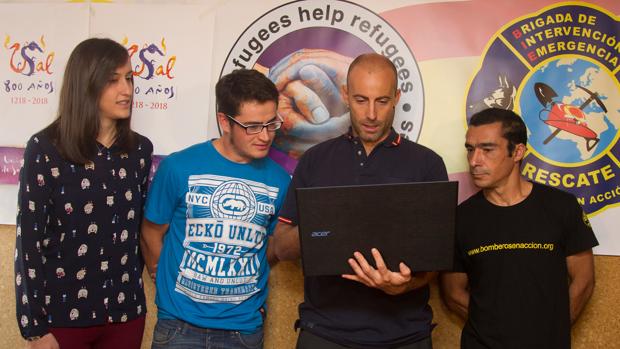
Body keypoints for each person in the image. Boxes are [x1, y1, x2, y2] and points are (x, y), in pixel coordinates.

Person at [273, 53, 448, 349]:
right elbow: (281, 246)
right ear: (344, 95)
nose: (371, 114)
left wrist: (404, 286)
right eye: (360, 100)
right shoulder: (315, 160)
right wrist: (329, 223)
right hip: (325, 332)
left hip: (406, 334)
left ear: (396, 97)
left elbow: (436, 261)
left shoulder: (427, 164)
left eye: (381, 101)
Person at [14, 38, 153, 349]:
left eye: (129, 78)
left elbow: (136, 233)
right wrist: (34, 327)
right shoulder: (46, 148)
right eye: (113, 79)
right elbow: (29, 243)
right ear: (86, 84)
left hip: (125, 314)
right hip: (63, 317)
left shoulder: (139, 150)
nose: (127, 90)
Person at [140, 69, 290, 349]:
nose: (265, 136)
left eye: (272, 124)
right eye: (253, 126)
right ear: (224, 121)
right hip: (178, 327)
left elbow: (271, 248)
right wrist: (160, 275)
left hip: (242, 332)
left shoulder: (280, 182)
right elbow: (151, 232)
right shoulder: (178, 167)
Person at [440, 108, 598, 348]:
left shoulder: (561, 207)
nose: (474, 161)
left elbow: (584, 280)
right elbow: (453, 293)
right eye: (470, 149)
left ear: (518, 152)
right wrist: (495, 332)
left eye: (487, 149)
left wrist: (551, 331)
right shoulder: (460, 218)